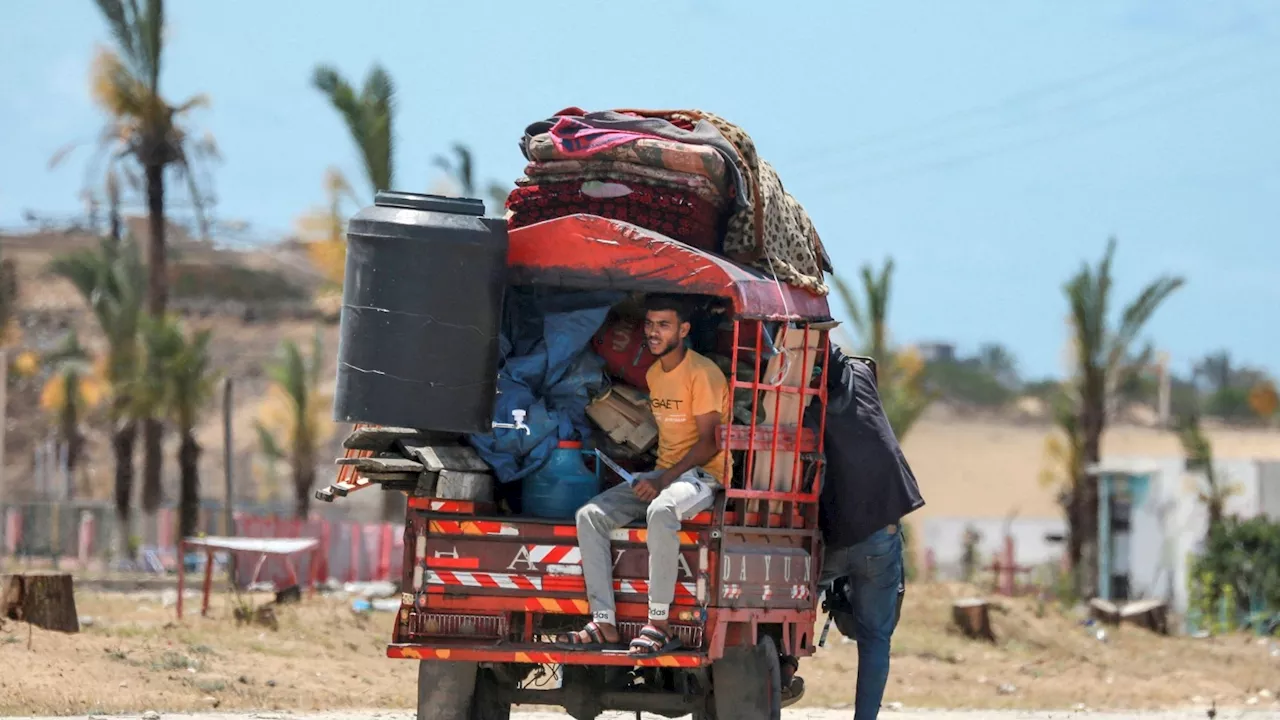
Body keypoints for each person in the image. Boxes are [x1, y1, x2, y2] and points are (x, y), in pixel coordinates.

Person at [557, 294, 730, 656]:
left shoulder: (703, 374)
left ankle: (659, 623)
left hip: (702, 475)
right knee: (590, 516)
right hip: (664, 473)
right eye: (650, 324)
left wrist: (662, 481)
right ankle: (603, 621)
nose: (653, 332)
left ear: (683, 330)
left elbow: (710, 444)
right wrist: (648, 475)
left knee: (661, 510)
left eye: (663, 325)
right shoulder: (654, 374)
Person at [806, 344, 925, 719]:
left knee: (786, 613)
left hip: (835, 537)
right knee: (876, 638)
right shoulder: (860, 375)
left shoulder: (804, 403)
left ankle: (781, 674)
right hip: (881, 527)